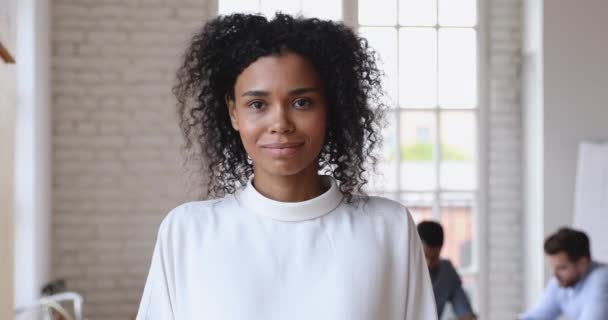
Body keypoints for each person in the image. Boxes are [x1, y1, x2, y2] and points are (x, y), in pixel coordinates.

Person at [136, 13, 437, 319]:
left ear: (330, 110)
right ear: (233, 113)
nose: (280, 123)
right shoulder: (187, 231)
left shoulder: (388, 226)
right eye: (257, 104)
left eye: (302, 102)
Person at [519, 227, 608, 320]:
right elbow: (537, 315)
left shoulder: (602, 279)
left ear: (583, 263)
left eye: (562, 268)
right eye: (553, 267)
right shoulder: (561, 280)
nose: (555, 274)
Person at [417, 221, 477, 320]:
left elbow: (465, 312)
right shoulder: (403, 273)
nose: (428, 264)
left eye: (434, 258)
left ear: (440, 249)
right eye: (425, 257)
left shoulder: (447, 271)